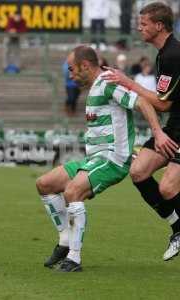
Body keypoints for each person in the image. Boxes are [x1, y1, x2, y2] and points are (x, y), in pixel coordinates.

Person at [36, 45, 176, 272]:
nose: (69, 75)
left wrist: (158, 133)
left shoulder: (107, 83)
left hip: (113, 160)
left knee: (72, 192)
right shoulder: (94, 87)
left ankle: (74, 258)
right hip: (93, 159)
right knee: (44, 184)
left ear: (85, 66)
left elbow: (142, 102)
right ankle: (64, 240)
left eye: (71, 70)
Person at [102, 2, 180, 261]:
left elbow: (162, 103)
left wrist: (127, 82)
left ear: (159, 26)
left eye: (144, 23)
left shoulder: (172, 55)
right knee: (138, 171)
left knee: (169, 187)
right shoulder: (163, 54)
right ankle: (177, 229)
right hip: (175, 127)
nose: (139, 27)